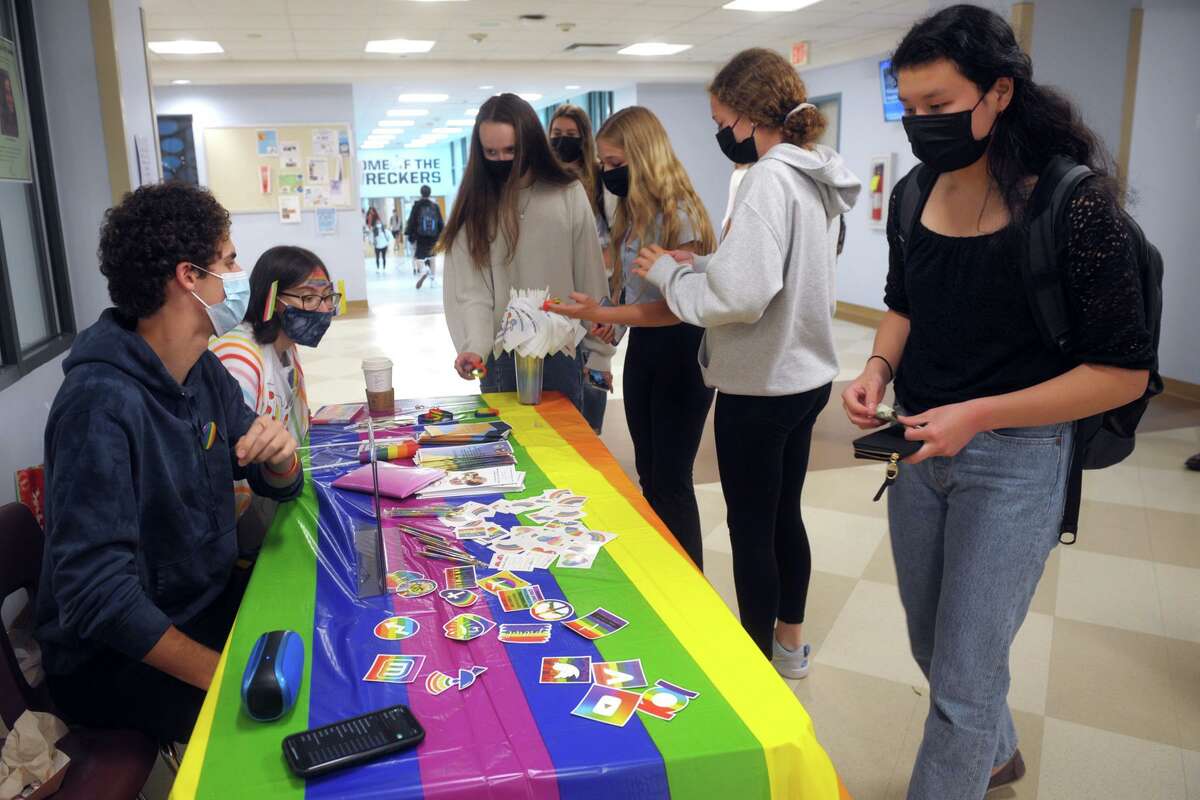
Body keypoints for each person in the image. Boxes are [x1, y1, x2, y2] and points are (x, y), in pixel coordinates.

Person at [840, 7, 1154, 798]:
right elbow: (903, 304)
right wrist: (879, 366)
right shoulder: (914, 194)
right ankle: (998, 752)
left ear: (1000, 92)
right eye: (909, 109)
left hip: (1016, 460)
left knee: (961, 683)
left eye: (939, 107)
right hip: (917, 448)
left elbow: (1121, 372)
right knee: (931, 643)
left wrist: (979, 414)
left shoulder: (1074, 206)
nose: (920, 126)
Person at [551, 49, 860, 677]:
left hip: (763, 381)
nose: (720, 133)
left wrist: (671, 273)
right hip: (805, 376)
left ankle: (749, 668)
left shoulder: (770, 179)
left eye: (721, 119)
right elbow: (767, 273)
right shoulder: (814, 175)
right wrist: (698, 268)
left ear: (749, 116)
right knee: (782, 515)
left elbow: (739, 298)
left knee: (752, 528)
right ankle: (789, 647)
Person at [34, 183, 303, 744]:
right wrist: (222, 675)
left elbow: (263, 470)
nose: (237, 278)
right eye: (228, 262)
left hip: (198, 603)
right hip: (111, 661)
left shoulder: (200, 370)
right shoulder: (98, 405)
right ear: (189, 277)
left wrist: (280, 457)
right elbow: (97, 597)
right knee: (285, 720)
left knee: (320, 628)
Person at [588, 105, 717, 568]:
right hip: (643, 353)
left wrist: (608, 309)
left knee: (671, 479)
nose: (608, 174)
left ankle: (689, 585)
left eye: (615, 164)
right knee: (648, 475)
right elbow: (631, 289)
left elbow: (675, 309)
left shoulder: (682, 217)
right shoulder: (631, 213)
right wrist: (613, 321)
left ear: (643, 158)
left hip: (682, 354)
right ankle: (664, 574)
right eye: (603, 165)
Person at [439, 92, 612, 412]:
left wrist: (600, 354)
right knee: (511, 456)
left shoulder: (568, 194)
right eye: (491, 152)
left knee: (567, 457)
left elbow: (591, 280)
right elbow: (472, 291)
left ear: (531, 143)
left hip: (562, 353)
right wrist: (473, 348)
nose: (502, 160)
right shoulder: (474, 205)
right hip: (501, 359)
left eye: (511, 150)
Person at [211, 245, 337, 558]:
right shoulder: (239, 358)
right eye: (308, 297)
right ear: (272, 300)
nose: (323, 310)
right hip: (242, 525)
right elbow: (235, 463)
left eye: (328, 297)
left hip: (279, 488)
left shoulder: (285, 346)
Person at [548, 103, 614, 434]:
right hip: (562, 294)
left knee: (596, 365)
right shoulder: (545, 182)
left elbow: (616, 236)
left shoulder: (601, 180)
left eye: (571, 135)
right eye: (557, 134)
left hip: (597, 290)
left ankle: (594, 435)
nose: (562, 141)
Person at [405, 185, 444, 289]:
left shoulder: (417, 206)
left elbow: (412, 221)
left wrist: (410, 235)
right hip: (433, 236)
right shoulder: (435, 206)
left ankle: (423, 270)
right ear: (429, 193)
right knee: (432, 257)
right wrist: (442, 235)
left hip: (420, 236)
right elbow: (440, 222)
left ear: (421, 193)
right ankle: (433, 281)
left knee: (419, 256)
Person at [366, 206, 389, 271]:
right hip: (376, 241)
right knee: (377, 257)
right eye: (370, 211)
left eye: (372, 211)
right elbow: (369, 225)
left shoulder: (377, 219)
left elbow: (385, 233)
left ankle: (383, 267)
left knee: (383, 257)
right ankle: (378, 267)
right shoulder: (369, 217)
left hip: (382, 243)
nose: (371, 212)